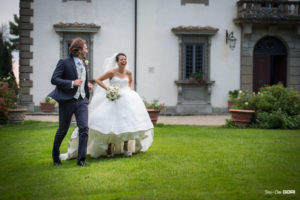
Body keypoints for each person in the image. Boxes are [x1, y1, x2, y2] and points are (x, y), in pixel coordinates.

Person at [60, 53, 154, 160]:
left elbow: (131, 81)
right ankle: (109, 147)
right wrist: (109, 89)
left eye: (125, 59)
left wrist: (129, 90)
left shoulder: (128, 72)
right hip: (114, 99)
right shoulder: (112, 72)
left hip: (127, 99)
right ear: (117, 61)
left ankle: (126, 147)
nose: (124, 61)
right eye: (121, 59)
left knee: (128, 123)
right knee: (111, 123)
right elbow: (98, 80)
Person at [49, 37, 93, 167]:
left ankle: (81, 160)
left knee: (84, 128)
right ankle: (56, 157)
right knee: (63, 130)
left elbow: (82, 79)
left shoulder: (84, 63)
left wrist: (86, 85)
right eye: (85, 47)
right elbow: (54, 79)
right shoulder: (64, 62)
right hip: (67, 101)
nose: (86, 50)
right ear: (78, 49)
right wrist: (72, 83)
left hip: (82, 101)